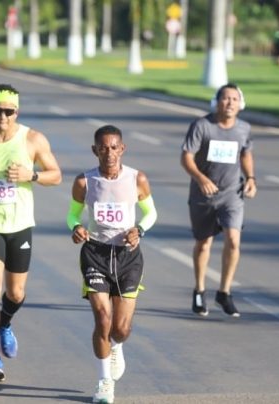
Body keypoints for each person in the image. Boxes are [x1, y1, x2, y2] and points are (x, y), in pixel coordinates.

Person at [0, 84, 62, 383]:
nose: (3, 116)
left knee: (15, 292)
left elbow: (56, 175)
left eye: (9, 111)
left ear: (16, 112)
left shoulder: (32, 139)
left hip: (20, 225)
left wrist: (31, 175)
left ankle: (5, 322)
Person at [66, 124, 157, 404]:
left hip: (128, 257)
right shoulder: (84, 182)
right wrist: (77, 228)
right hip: (96, 253)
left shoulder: (136, 178)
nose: (109, 153)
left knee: (121, 328)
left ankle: (116, 346)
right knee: (102, 319)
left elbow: (151, 213)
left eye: (114, 147)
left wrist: (139, 230)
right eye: (103, 148)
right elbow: (72, 215)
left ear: (122, 148)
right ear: (95, 150)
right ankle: (104, 381)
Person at [181, 83, 257, 318]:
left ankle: (224, 292)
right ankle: (200, 289)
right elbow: (186, 157)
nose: (230, 103)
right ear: (217, 102)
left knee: (233, 240)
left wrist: (251, 178)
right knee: (204, 243)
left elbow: (245, 153)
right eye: (226, 98)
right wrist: (201, 179)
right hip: (203, 195)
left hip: (232, 195)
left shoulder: (243, 128)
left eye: (235, 99)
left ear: (240, 104)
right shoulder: (202, 126)